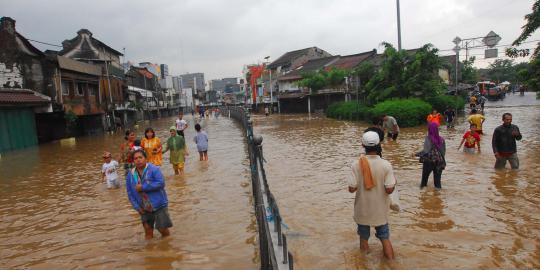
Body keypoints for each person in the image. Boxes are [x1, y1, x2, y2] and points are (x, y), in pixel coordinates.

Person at [347, 131, 396, 259]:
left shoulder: (356, 164)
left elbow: (351, 189)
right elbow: (390, 190)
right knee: (385, 238)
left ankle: (363, 265)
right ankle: (391, 264)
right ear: (379, 144)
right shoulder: (386, 165)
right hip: (380, 211)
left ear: (363, 145)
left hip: (363, 210)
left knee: (363, 239)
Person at [126, 149, 172, 240]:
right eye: (135, 158)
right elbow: (130, 192)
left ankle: (167, 246)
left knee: (162, 229)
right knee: (148, 230)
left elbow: (161, 183)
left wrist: (143, 187)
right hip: (143, 207)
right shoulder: (130, 174)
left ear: (145, 158)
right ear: (133, 161)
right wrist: (137, 207)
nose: (138, 160)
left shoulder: (154, 169)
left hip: (158, 204)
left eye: (140, 157)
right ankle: (149, 251)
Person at [416, 122, 446, 189]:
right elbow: (443, 152)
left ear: (429, 129)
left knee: (424, 183)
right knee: (438, 184)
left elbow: (426, 151)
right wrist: (443, 162)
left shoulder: (428, 138)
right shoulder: (442, 139)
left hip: (429, 161)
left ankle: (423, 197)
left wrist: (416, 154)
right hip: (439, 162)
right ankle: (438, 198)